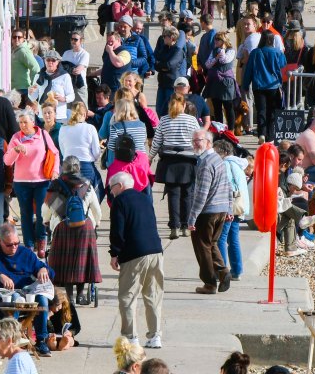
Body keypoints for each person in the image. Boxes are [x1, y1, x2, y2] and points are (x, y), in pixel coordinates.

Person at [0, 223, 55, 355]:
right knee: (14, 299)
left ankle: (41, 341)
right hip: (4, 294)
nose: (14, 247)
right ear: (0, 241)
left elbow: (51, 273)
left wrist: (43, 269)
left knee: (42, 299)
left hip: (26, 291)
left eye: (16, 243)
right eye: (9, 245)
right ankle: (11, 339)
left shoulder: (25, 253)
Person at [110, 172, 164, 349]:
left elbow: (118, 229)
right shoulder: (145, 198)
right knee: (153, 295)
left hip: (134, 253)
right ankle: (155, 336)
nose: (111, 192)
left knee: (127, 296)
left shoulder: (120, 201)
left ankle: (130, 337)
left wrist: (114, 253)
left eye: (112, 188)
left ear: (120, 185)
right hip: (156, 251)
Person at [42, 156, 102, 307]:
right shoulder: (86, 185)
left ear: (63, 168)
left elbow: (46, 211)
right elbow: (97, 210)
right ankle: (80, 295)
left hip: (62, 228)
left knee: (65, 263)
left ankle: (68, 296)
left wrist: (46, 221)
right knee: (82, 261)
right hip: (85, 228)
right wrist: (97, 224)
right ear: (79, 168)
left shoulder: (56, 185)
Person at [4, 109, 60, 257]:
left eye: (25, 122)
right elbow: (7, 161)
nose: (22, 125)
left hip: (41, 181)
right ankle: (28, 244)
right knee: (26, 214)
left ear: (33, 122)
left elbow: (54, 153)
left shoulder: (42, 134)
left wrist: (55, 171)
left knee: (42, 214)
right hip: (22, 182)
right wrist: (16, 150)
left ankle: (41, 241)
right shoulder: (16, 137)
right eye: (20, 122)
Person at [187, 129, 233, 295]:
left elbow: (201, 194)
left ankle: (210, 283)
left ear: (208, 142)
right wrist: (228, 207)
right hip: (220, 210)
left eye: (197, 140)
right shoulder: (218, 160)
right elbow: (228, 185)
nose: (194, 144)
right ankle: (223, 272)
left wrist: (192, 218)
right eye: (193, 141)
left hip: (208, 211)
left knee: (202, 247)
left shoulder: (206, 163)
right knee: (211, 243)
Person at [151, 94, 201, 236]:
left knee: (173, 194)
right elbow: (199, 140)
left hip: (169, 162)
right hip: (188, 161)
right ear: (184, 105)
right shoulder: (192, 120)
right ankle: (186, 226)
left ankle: (174, 226)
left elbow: (157, 142)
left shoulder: (164, 120)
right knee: (187, 194)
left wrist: (150, 157)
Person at [241, 31, 286, 144]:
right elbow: (283, 65)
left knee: (261, 110)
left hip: (259, 86)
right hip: (273, 85)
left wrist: (245, 85)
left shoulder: (255, 53)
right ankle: (270, 136)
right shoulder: (277, 52)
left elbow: (249, 71)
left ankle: (261, 133)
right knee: (272, 112)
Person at [59, 101, 105, 202]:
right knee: (92, 196)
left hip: (68, 166)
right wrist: (94, 159)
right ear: (85, 114)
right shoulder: (90, 128)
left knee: (70, 196)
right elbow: (97, 152)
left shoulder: (63, 129)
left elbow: (63, 151)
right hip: (86, 166)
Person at [215, 139, 247, 281]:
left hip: (229, 207)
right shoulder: (237, 164)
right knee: (233, 239)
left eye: (216, 152)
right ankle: (237, 270)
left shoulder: (226, 164)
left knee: (220, 239)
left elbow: (228, 188)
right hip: (239, 207)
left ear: (224, 152)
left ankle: (222, 271)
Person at [31, 50, 74, 121]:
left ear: (58, 62)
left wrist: (63, 99)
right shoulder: (38, 76)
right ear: (44, 61)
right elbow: (34, 98)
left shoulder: (65, 76)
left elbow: (71, 95)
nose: (50, 63)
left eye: (53, 60)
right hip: (43, 115)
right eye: (48, 60)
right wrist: (31, 93)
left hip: (59, 115)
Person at [62, 32, 90, 107]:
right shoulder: (66, 53)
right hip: (67, 86)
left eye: (75, 39)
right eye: (72, 39)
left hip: (79, 87)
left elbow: (77, 71)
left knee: (81, 110)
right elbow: (61, 68)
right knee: (68, 111)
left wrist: (68, 68)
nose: (73, 41)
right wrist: (70, 69)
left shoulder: (85, 54)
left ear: (81, 41)